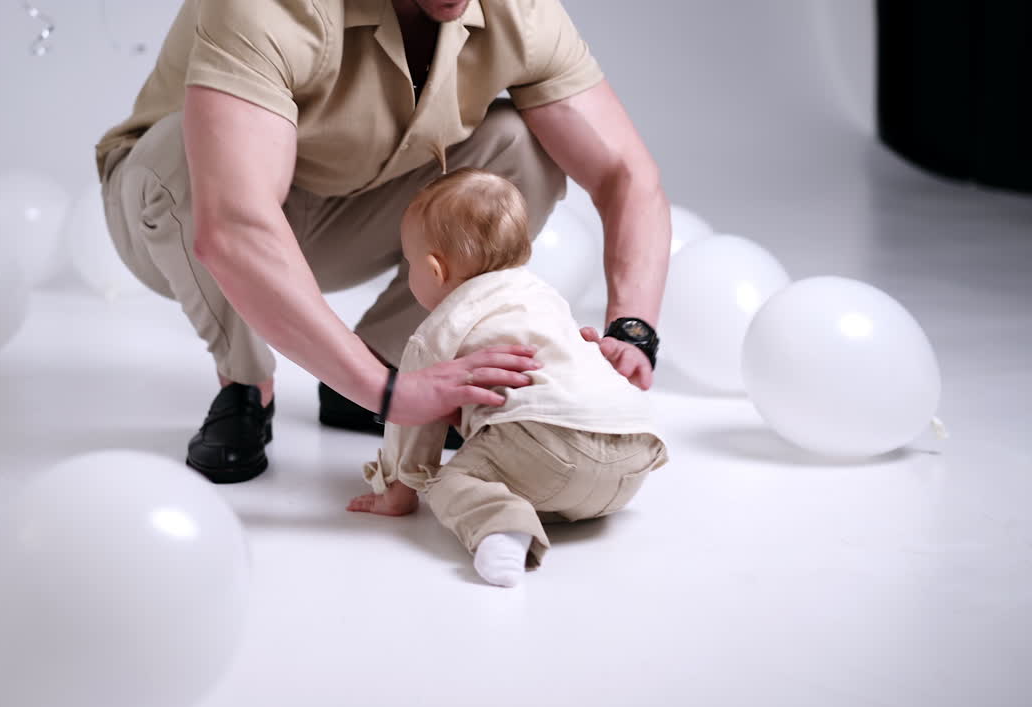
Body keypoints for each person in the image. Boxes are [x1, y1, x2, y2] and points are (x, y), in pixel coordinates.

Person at [96, 0, 671, 484]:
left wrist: (632, 331)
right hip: (176, 217)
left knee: (522, 144)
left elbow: (626, 174)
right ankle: (246, 385)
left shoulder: (521, 11)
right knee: (188, 154)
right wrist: (388, 395)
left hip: (343, 216)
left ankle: (385, 362)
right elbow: (233, 225)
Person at [347, 169, 668, 587]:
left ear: (435, 269)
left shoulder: (440, 328)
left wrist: (398, 490)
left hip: (551, 450)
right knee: (545, 473)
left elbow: (413, 420)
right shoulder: (545, 298)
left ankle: (502, 529)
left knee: (448, 481)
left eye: (410, 264)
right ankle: (543, 503)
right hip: (633, 459)